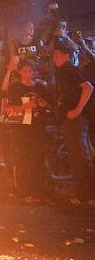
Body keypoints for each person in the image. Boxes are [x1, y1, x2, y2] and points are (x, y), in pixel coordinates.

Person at [0, 57, 52, 201]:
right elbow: (10, 108)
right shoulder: (16, 87)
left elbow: (50, 105)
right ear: (20, 72)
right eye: (25, 71)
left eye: (30, 71)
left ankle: (39, 192)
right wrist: (26, 106)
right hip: (21, 129)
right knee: (23, 159)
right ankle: (23, 191)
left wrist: (41, 103)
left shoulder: (40, 87)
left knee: (38, 159)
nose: (28, 74)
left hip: (38, 128)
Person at [52, 43, 95, 205]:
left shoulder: (69, 69)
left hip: (76, 120)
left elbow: (88, 87)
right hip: (70, 119)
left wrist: (77, 109)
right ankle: (85, 194)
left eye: (57, 55)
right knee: (77, 155)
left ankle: (87, 196)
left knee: (80, 155)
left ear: (66, 56)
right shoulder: (64, 71)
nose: (54, 58)